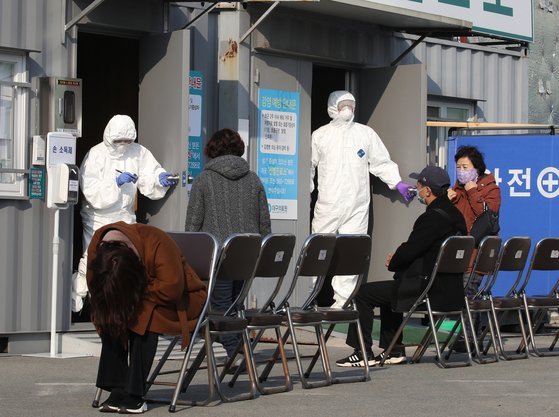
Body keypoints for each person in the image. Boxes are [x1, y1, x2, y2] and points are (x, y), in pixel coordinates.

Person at [336, 165, 467, 367]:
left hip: (428, 290)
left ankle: (362, 351)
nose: (417, 188)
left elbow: (410, 250)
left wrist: (394, 260)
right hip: (452, 290)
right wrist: (401, 260)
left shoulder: (431, 218)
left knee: (362, 293)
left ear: (427, 191)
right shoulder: (456, 216)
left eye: (419, 184)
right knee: (393, 288)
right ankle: (393, 349)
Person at [87, 221, 207, 414]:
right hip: (138, 295)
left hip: (183, 299)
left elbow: (171, 289)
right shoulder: (99, 242)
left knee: (143, 314)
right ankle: (116, 389)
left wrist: (133, 294)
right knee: (110, 312)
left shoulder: (156, 241)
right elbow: (95, 285)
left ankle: (135, 394)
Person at [311, 90, 415, 308]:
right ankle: (312, 295)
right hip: (328, 203)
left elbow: (381, 162)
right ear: (332, 107)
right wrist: (305, 192)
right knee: (319, 248)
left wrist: (396, 182)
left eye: (351, 105)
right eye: (343, 105)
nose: (347, 109)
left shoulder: (365, 134)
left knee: (351, 251)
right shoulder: (320, 135)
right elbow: (307, 167)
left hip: (357, 204)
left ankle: (343, 301)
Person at [72, 114, 177, 313]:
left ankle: (120, 306)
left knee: (126, 261)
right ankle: (89, 303)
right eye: (119, 141)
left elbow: (149, 172)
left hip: (125, 216)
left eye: (127, 141)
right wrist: (115, 183)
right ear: (109, 137)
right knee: (94, 259)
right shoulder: (96, 155)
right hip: (98, 218)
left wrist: (159, 178)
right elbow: (91, 190)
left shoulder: (137, 152)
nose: (123, 145)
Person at [185, 128, 271, 359]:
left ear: (212, 149)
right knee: (236, 305)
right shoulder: (253, 179)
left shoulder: (204, 179)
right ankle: (240, 351)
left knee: (221, 307)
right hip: (247, 256)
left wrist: (189, 260)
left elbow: (193, 226)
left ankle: (237, 354)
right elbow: (265, 223)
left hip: (218, 257)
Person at [447, 145, 501, 350]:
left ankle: (469, 338)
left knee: (469, 290)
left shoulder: (491, 188)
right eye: (458, 166)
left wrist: (472, 192)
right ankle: (472, 336)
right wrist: (447, 200)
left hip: (477, 254)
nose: (461, 171)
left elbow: (486, 216)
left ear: (476, 168)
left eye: (465, 166)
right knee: (467, 292)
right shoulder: (457, 189)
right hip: (460, 253)